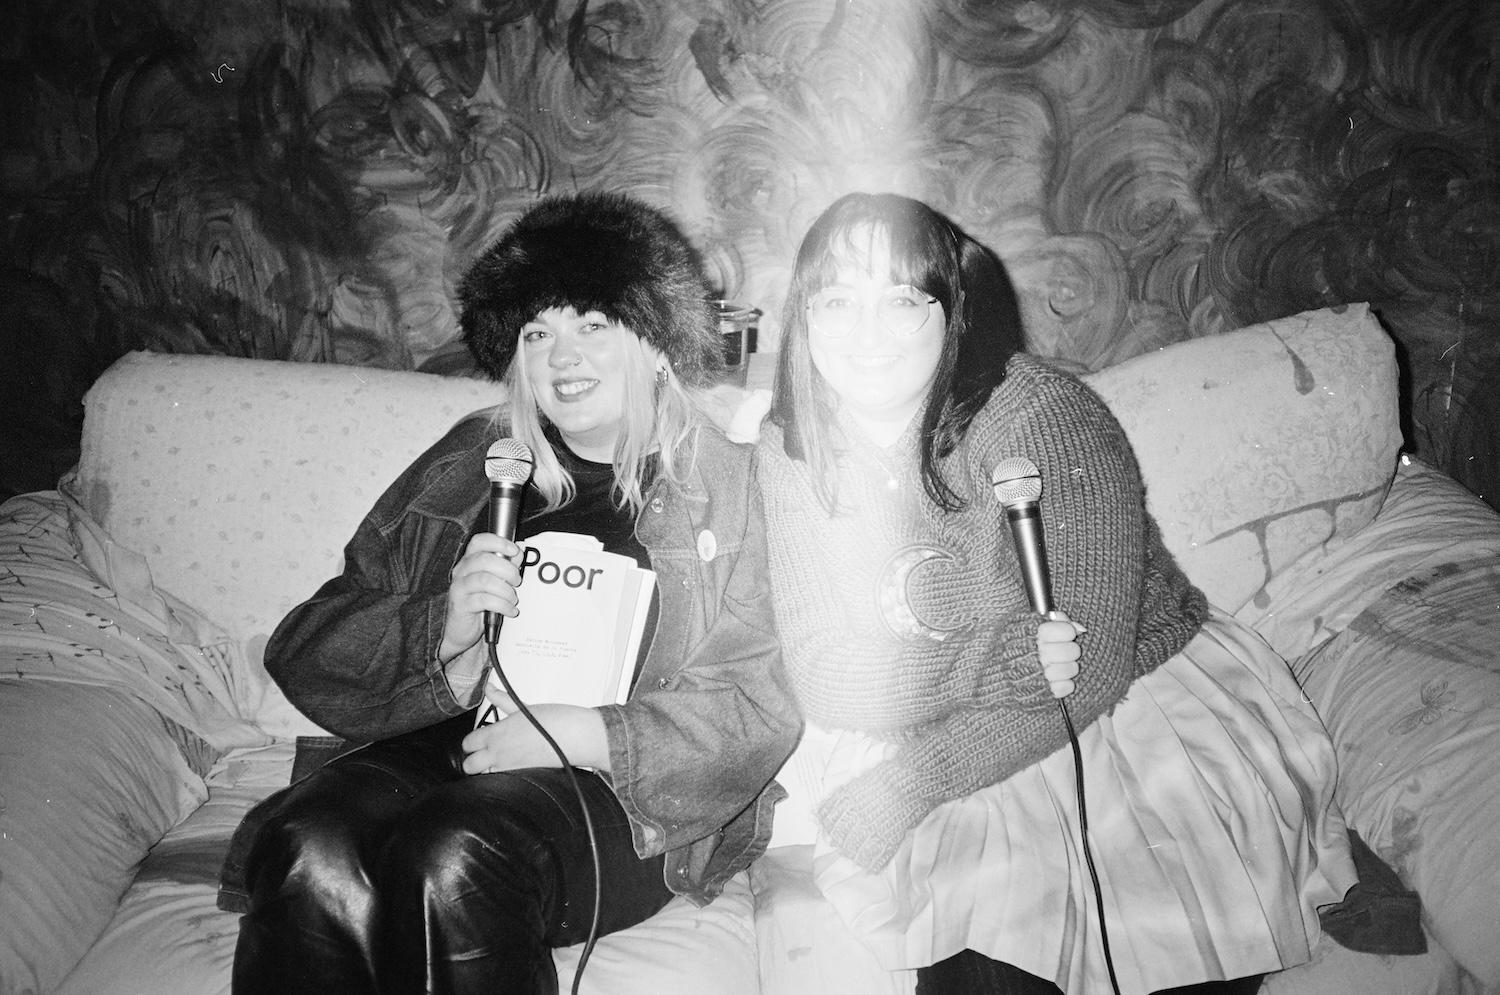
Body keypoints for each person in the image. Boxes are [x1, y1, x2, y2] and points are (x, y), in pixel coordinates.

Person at [755, 192, 1357, 995]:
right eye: (838, 301)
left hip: (1138, 699)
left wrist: (911, 780)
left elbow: (1087, 669)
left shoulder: (1042, 416)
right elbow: (823, 669)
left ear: (951, 309)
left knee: (1130, 942)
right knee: (977, 961)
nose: (866, 335)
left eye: (902, 300)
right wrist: (992, 668)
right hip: (973, 705)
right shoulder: (791, 444)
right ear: (804, 313)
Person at [228, 191, 800, 994]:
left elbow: (761, 702)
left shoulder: (733, 485)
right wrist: (443, 629)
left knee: (454, 851)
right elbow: (309, 645)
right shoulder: (475, 458)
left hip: (624, 787)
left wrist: (592, 735)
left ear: (660, 344)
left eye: (594, 325)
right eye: (539, 333)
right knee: (306, 842)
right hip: (454, 739)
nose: (563, 356)